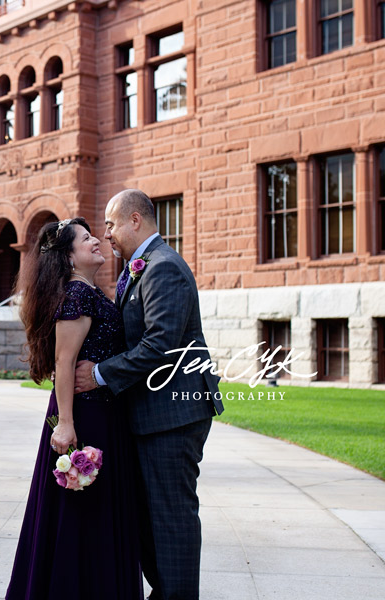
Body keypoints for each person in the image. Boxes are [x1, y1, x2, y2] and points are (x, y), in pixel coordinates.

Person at [74, 189, 225, 600]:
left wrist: (101, 374)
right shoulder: (142, 267)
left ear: (134, 220)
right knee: (150, 518)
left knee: (170, 517)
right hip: (152, 416)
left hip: (173, 417)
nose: (106, 234)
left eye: (110, 224)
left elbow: (161, 345)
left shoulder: (163, 268)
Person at [6, 217, 143, 599]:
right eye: (86, 239)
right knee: (80, 516)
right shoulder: (77, 295)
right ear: (68, 257)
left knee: (95, 515)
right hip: (84, 417)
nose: (97, 241)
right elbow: (63, 363)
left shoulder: (91, 291)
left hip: (103, 414)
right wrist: (65, 425)